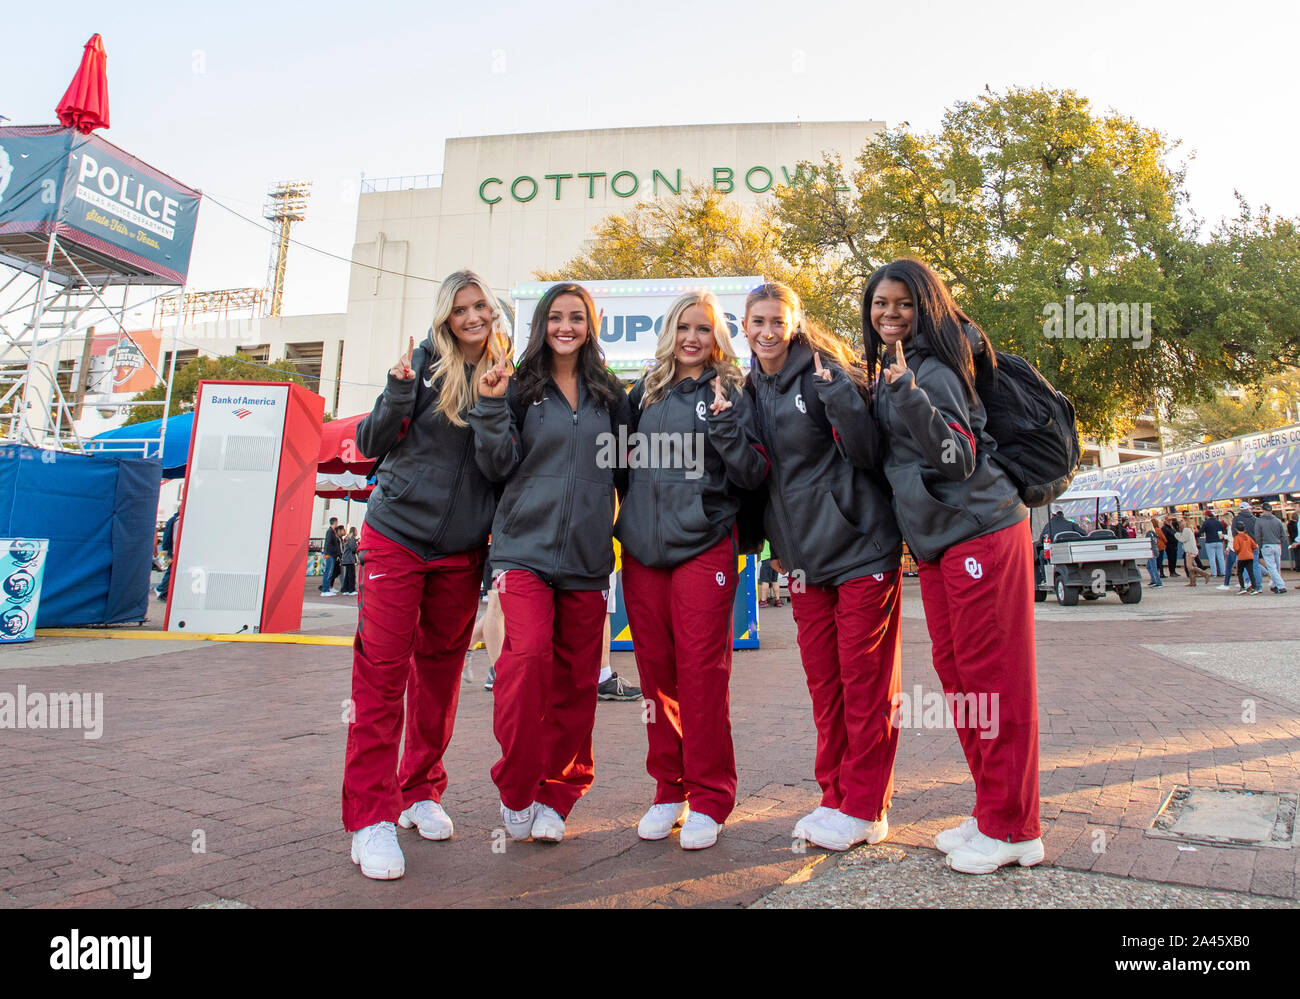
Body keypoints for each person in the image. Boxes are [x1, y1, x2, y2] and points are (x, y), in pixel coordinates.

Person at [865, 258, 1041, 875]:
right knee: (962, 682)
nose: (889, 314)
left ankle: (1016, 827)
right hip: (942, 545)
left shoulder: (933, 369)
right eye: (880, 303)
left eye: (904, 304)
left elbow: (957, 456)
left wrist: (910, 396)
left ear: (927, 307)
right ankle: (993, 808)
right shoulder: (893, 366)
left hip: (982, 533)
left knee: (993, 683)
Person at [342, 268, 512, 880]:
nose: (473, 318)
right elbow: (368, 440)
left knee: (439, 676)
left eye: (481, 308)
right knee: (382, 676)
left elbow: (501, 467)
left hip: (462, 552)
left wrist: (494, 404)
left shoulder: (506, 376)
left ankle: (420, 791)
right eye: (461, 309)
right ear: (445, 317)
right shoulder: (419, 366)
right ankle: (370, 818)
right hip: (396, 539)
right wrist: (395, 393)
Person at [742, 282, 905, 853]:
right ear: (745, 327)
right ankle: (835, 795)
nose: (767, 331)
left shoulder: (826, 372)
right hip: (801, 562)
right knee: (825, 686)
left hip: (859, 548)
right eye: (758, 321)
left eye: (777, 320)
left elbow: (867, 454)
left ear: (795, 323)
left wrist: (839, 399)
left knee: (865, 686)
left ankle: (866, 807)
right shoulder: (749, 387)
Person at [469, 281, 631, 845]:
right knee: (526, 661)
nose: (567, 326)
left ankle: (558, 793)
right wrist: (490, 407)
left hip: (588, 561)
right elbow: (496, 464)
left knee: (576, 684)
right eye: (557, 317)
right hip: (522, 552)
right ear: (543, 324)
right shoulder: (518, 388)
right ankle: (516, 786)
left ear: (592, 325)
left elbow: (630, 476)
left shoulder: (611, 395)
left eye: (577, 317)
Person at [614, 290, 768, 850]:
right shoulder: (644, 391)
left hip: (705, 547)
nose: (692, 338)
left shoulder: (733, 392)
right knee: (657, 679)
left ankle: (708, 796)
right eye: (684, 327)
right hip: (643, 554)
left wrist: (727, 427)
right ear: (670, 332)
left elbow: (752, 473)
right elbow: (623, 470)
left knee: (703, 677)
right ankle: (667, 789)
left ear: (717, 337)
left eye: (703, 328)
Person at [1256, 502, 1288, 594]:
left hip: (1266, 545)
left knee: (1271, 567)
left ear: (1263, 510)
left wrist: (1260, 545)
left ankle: (1281, 585)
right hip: (1277, 545)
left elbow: (1258, 535)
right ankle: (1275, 585)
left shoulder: (1259, 521)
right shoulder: (1277, 521)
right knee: (1277, 566)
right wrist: (1281, 542)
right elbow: (1283, 535)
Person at [1231, 501, 1263, 593]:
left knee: (1243, 566)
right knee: (1255, 565)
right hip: (1254, 545)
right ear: (1248, 509)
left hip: (1242, 547)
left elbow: (1234, 533)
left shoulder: (1236, 519)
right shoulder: (1254, 519)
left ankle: (1248, 582)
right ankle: (1258, 586)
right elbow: (1259, 532)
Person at [1176, 520, 1211, 586]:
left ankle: (1205, 574)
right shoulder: (1189, 530)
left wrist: (1176, 535)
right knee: (1190, 566)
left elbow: (1183, 539)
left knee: (1189, 566)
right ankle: (1193, 581)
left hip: (1190, 550)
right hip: (1191, 549)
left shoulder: (1186, 530)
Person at [155, 510, 178, 600]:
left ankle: (163, 590)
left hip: (169, 548)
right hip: (171, 549)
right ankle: (161, 590)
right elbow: (170, 536)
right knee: (170, 570)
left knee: (169, 570)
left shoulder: (172, 520)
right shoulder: (175, 520)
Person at [1233, 527, 1259, 594]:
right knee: (1251, 572)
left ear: (1236, 529)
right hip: (1250, 556)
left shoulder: (1237, 538)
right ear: (1244, 529)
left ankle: (1242, 587)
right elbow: (1255, 546)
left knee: (1240, 573)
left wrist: (1237, 553)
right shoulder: (1248, 537)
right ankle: (1254, 587)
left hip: (1241, 557)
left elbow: (1236, 548)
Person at [320, 516, 341, 596]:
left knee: (330, 572)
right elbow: (329, 543)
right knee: (328, 572)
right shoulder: (330, 532)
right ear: (335, 522)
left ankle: (328, 588)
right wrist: (333, 552)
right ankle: (325, 590)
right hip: (329, 554)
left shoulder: (332, 532)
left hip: (331, 554)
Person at [1142, 519, 1163, 588]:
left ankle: (1158, 582)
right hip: (1155, 550)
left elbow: (1148, 543)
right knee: (1149, 566)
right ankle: (1154, 580)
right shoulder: (1153, 533)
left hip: (1151, 552)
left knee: (1153, 567)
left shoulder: (1148, 534)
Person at [339, 526, 359, 595]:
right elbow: (353, 548)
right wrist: (358, 545)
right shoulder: (351, 539)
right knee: (351, 575)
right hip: (349, 559)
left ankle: (345, 589)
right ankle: (351, 589)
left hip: (347, 559)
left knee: (347, 575)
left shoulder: (349, 538)